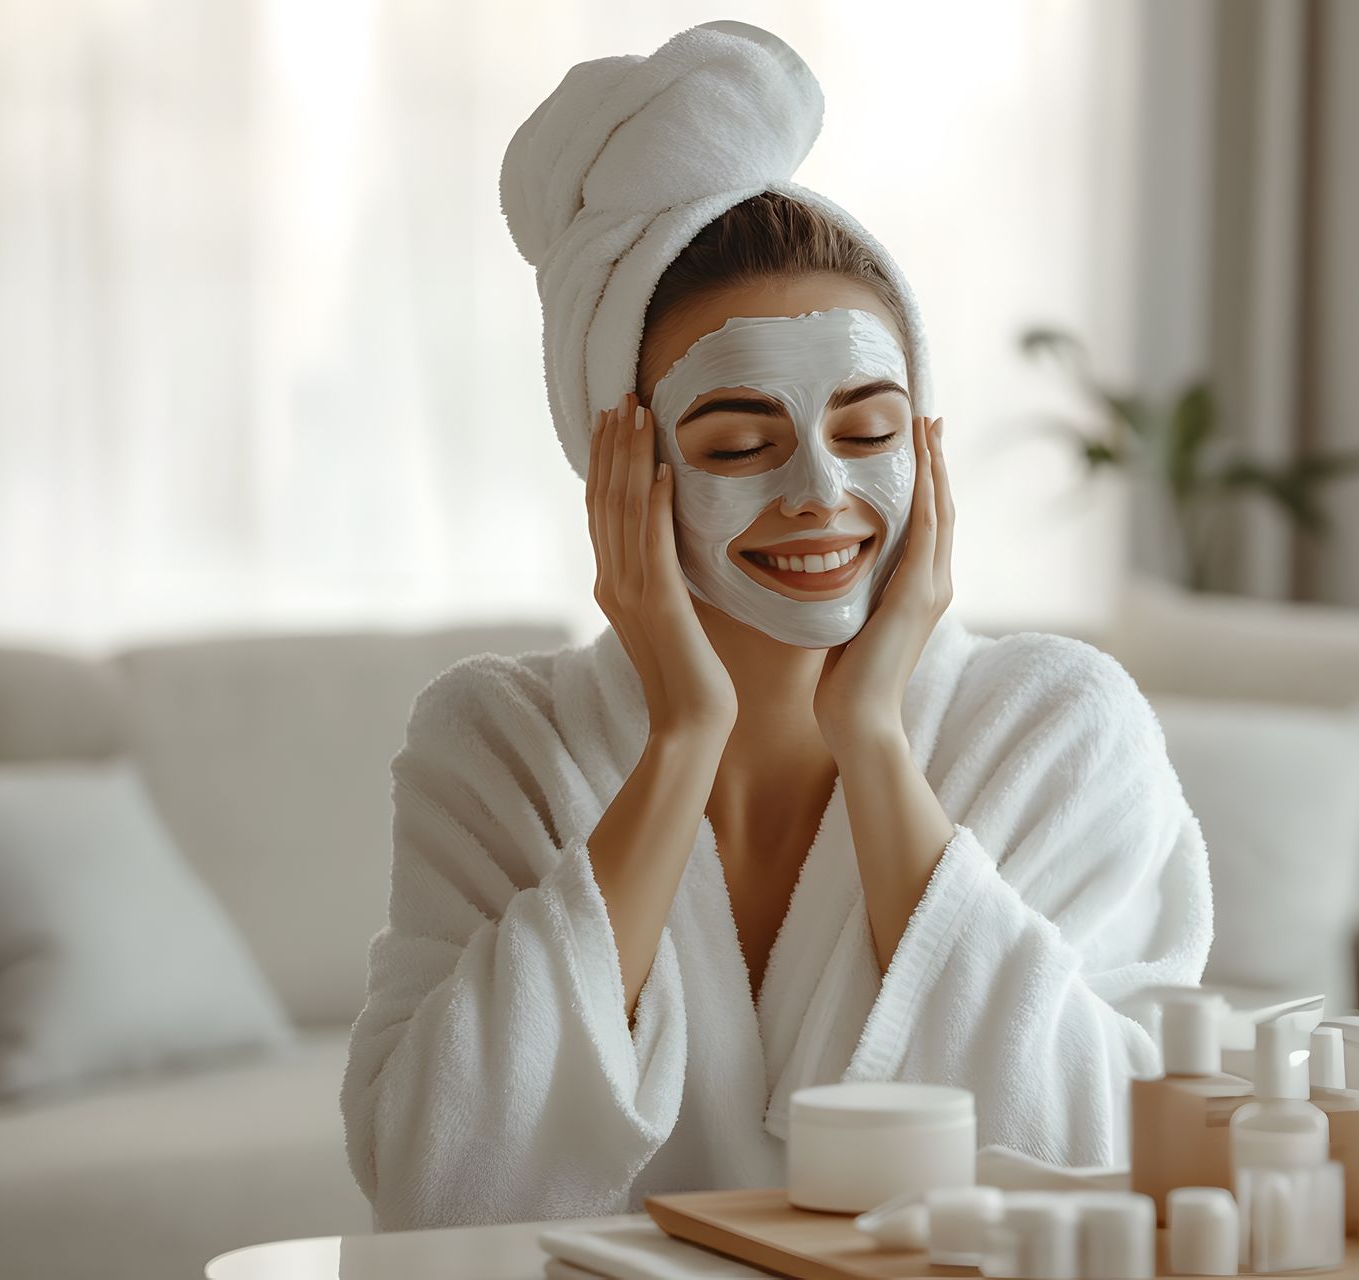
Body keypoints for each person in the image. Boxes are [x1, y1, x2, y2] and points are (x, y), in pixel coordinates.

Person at [340, 21, 1212, 1231]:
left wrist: (878, 742)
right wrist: (681, 737)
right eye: (738, 442)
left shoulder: (1059, 727)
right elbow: (442, 1183)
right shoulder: (495, 743)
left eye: (869, 430)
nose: (819, 489)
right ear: (621, 463)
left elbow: (1098, 1152)